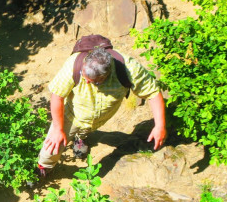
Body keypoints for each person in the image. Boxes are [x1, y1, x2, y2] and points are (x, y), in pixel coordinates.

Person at [37, 46, 167, 176]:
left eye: (94, 82)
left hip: (99, 118)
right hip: (72, 115)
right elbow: (57, 97)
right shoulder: (74, 65)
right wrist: (58, 129)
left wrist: (160, 126)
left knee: (86, 129)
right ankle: (43, 168)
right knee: (53, 146)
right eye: (84, 76)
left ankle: (80, 137)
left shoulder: (129, 69)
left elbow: (153, 93)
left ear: (107, 74)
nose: (86, 82)